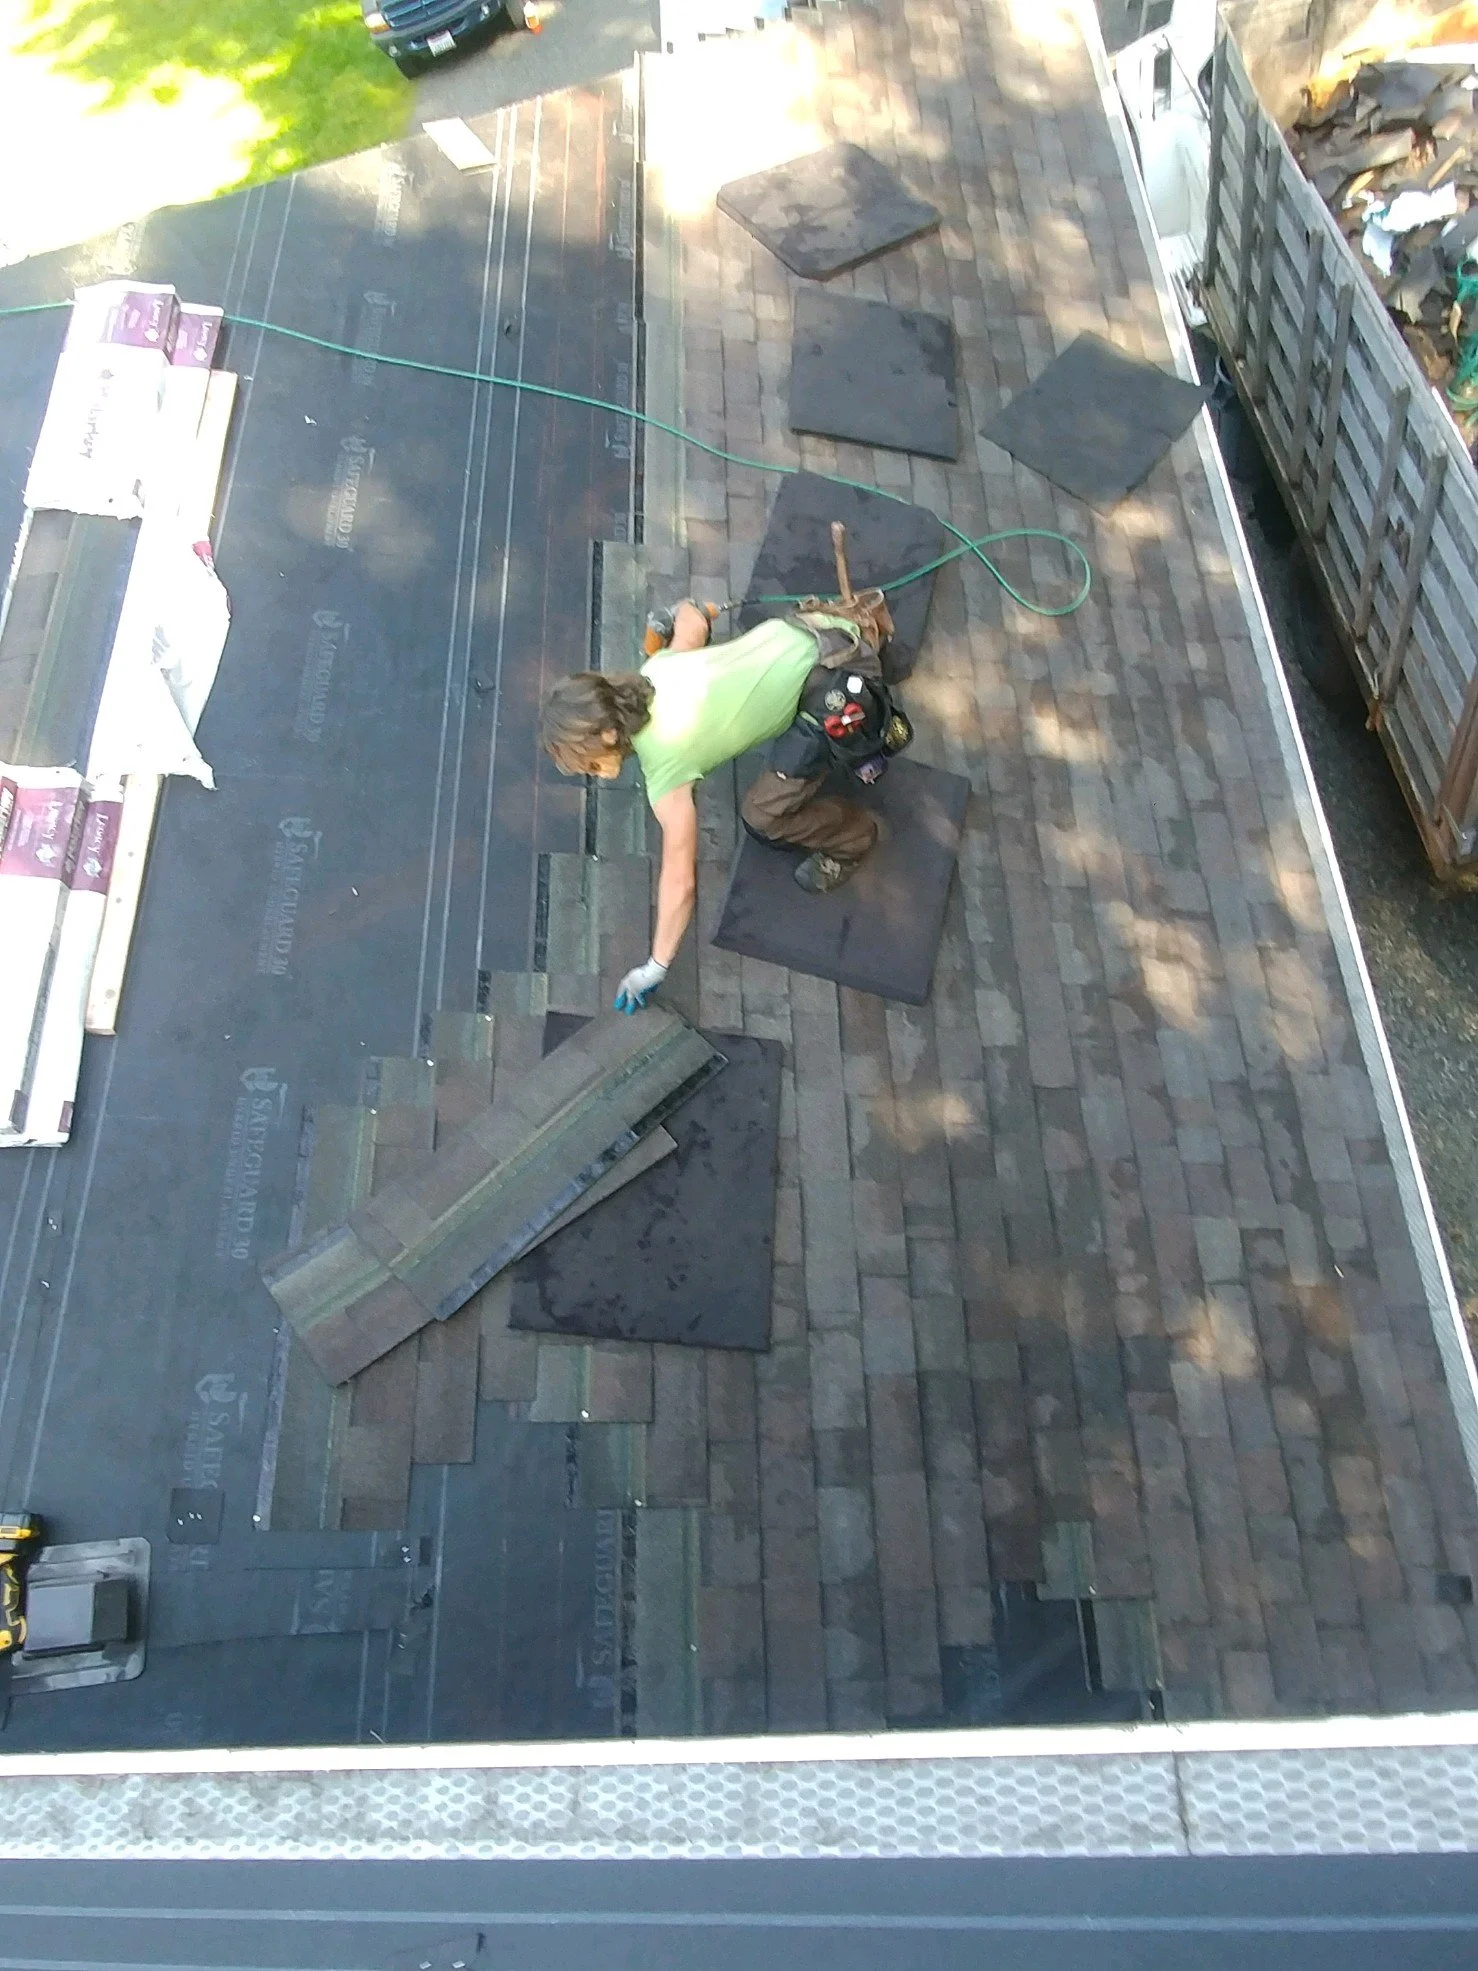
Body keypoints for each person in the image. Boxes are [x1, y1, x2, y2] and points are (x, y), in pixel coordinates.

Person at [540, 594, 906, 1011]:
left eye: (587, 762)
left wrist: (655, 966)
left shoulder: (665, 766)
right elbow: (693, 622)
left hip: (838, 687)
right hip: (821, 629)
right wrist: (685, 608)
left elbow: (680, 883)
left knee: (762, 816)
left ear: (608, 736)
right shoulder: (654, 671)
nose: (589, 771)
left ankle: (854, 842)